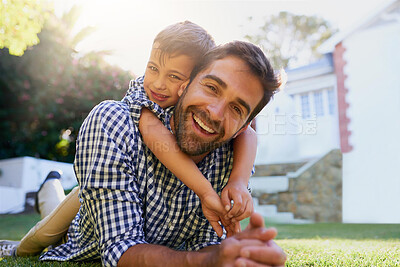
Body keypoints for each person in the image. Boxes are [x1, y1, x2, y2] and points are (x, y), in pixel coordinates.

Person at [36, 40, 284, 266]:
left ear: (242, 127)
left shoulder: (231, 162)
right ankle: (49, 187)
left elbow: (207, 245)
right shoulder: (115, 122)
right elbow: (120, 249)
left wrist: (229, 256)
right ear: (185, 85)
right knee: (48, 225)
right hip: (76, 235)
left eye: (236, 108)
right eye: (211, 87)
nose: (216, 113)